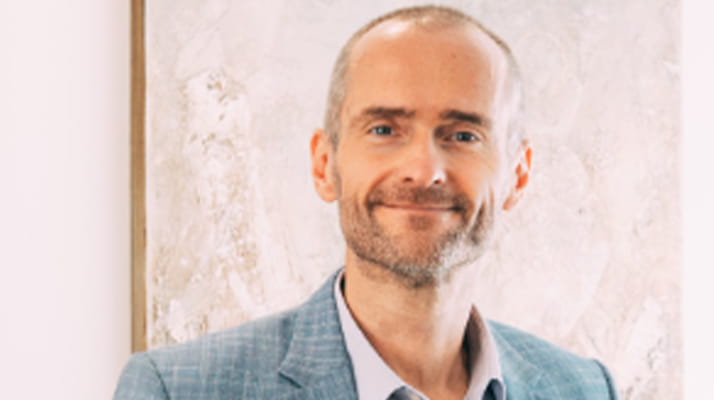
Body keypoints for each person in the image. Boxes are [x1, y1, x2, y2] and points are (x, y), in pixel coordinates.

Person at [115, 5, 619, 400]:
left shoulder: (584, 390)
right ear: (324, 164)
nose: (423, 169)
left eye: (463, 135)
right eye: (384, 129)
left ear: (517, 175)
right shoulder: (179, 390)